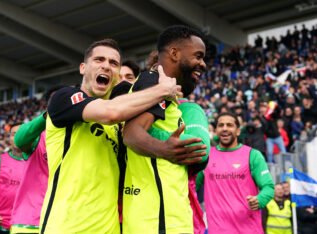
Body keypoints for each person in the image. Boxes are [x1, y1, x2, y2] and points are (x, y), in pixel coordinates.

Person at [39, 38, 202, 234]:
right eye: (99, 60)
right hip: (66, 227)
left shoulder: (120, 125)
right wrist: (161, 90)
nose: (106, 66)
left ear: (117, 76)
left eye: (113, 63)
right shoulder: (64, 99)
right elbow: (110, 112)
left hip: (111, 229)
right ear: (83, 67)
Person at [122, 25, 209, 234]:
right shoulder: (154, 81)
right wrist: (164, 149)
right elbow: (131, 134)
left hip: (171, 218)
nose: (203, 64)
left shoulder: (167, 91)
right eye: (198, 56)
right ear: (174, 53)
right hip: (156, 222)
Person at [197, 112, 274, 234]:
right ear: (216, 130)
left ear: (238, 131)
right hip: (218, 230)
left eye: (229, 125)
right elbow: (190, 187)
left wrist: (259, 199)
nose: (225, 128)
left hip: (249, 230)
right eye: (221, 125)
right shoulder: (206, 156)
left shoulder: (253, 155)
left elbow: (268, 187)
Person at [10, 86, 62, 234]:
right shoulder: (38, 136)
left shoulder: (78, 136)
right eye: (57, 101)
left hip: (60, 222)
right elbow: (20, 140)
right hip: (30, 224)